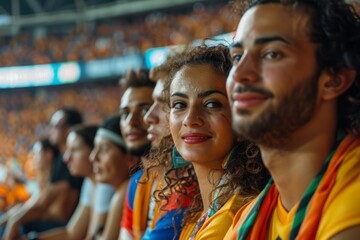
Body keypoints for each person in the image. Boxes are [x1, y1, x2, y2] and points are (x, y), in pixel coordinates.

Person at [225, 0, 360, 239]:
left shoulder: (353, 198)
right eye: (236, 57)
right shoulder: (246, 221)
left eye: (271, 54)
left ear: (334, 79)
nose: (240, 73)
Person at [150, 44, 269, 240]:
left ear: (242, 118)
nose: (190, 118)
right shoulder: (198, 215)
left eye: (212, 104)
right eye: (179, 104)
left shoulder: (236, 214)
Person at [3, 108, 84, 239]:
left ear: (68, 130)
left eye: (54, 126)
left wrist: (15, 220)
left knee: (20, 224)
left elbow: (46, 205)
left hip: (69, 226)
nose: (49, 130)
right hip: (66, 223)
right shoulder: (60, 159)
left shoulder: (71, 163)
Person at [90, 114, 134, 240]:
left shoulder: (124, 191)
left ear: (129, 158)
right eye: (95, 149)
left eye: (103, 150)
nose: (93, 157)